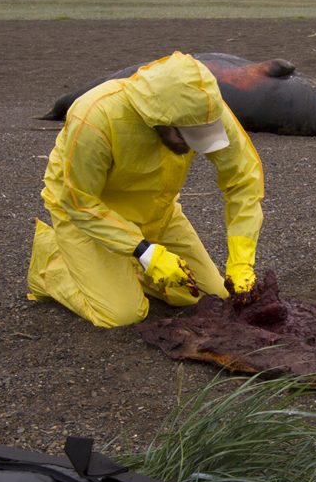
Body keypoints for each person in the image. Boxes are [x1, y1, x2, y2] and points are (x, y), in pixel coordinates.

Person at [26, 51, 264, 328]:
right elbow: (79, 201)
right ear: (159, 120)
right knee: (122, 314)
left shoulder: (203, 109)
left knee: (210, 296)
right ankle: (51, 262)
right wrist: (144, 251)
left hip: (157, 213)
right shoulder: (95, 117)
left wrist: (241, 262)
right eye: (185, 136)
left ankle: (125, 270)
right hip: (88, 217)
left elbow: (244, 180)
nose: (191, 146)